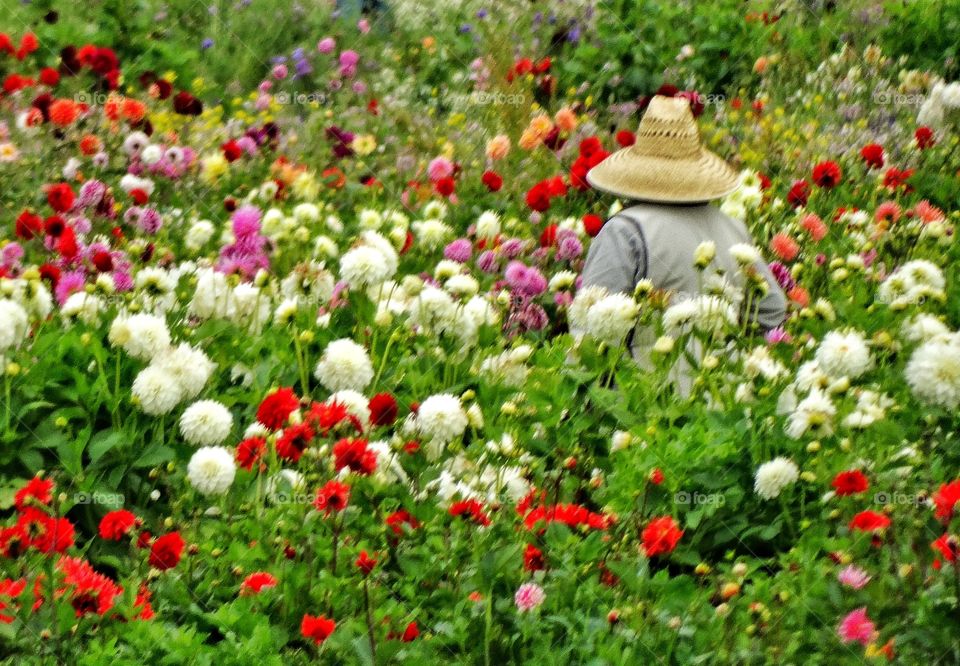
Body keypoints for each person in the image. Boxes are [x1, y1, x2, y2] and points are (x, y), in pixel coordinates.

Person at [581, 95, 786, 387]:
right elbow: (772, 312)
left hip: (647, 406)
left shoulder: (625, 231)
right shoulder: (732, 226)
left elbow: (590, 335)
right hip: (722, 407)